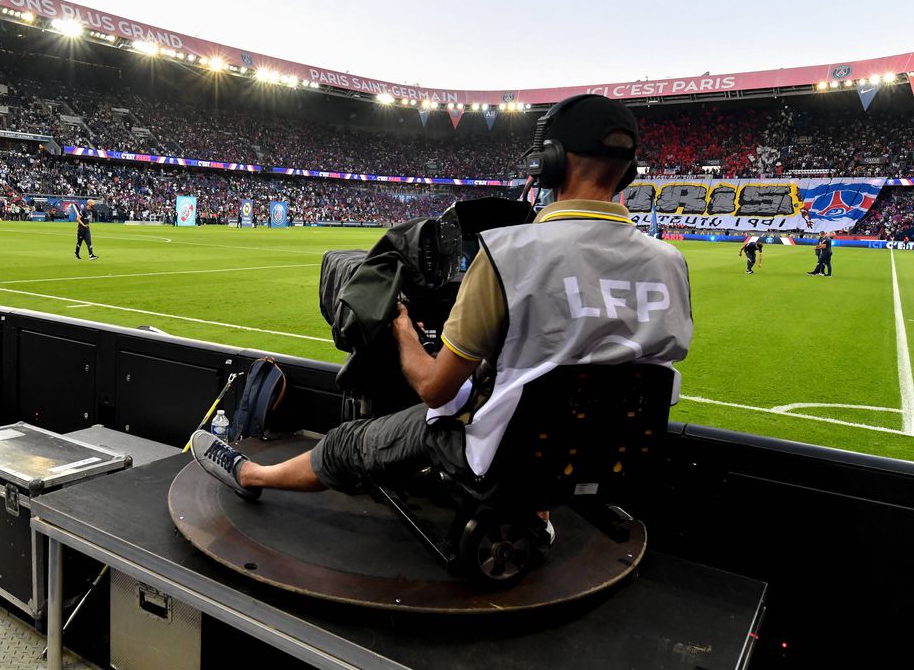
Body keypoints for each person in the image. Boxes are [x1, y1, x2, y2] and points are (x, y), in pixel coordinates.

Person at [191, 95, 694, 542]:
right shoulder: (671, 264)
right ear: (626, 172)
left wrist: (403, 328)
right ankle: (538, 511)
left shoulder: (509, 253)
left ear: (551, 161)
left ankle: (250, 474)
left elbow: (433, 388)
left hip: (505, 459)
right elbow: (601, 363)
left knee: (353, 441)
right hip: (617, 454)